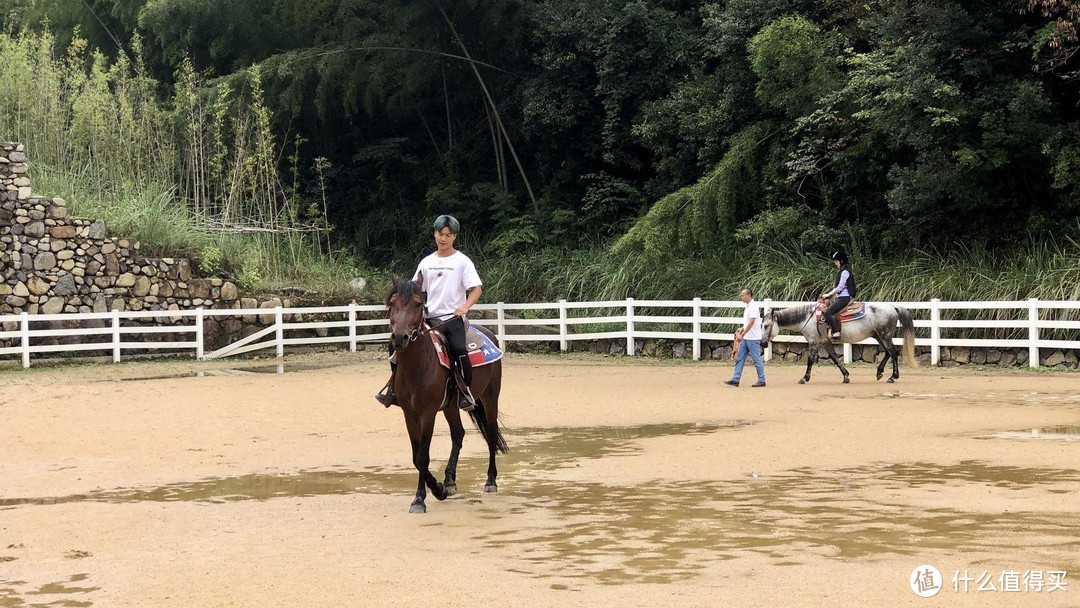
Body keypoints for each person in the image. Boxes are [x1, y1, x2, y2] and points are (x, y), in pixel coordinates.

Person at [376, 214, 484, 410]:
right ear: (434, 234)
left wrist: (465, 306)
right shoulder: (426, 262)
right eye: (440, 234)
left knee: (459, 348)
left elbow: (476, 288)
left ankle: (464, 391)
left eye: (448, 235)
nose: (443, 238)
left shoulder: (462, 261)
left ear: (454, 237)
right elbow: (414, 291)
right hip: (427, 319)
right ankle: (394, 388)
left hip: (451, 318)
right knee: (395, 346)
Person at [724, 287, 766, 388]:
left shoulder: (753, 307)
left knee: (756, 359)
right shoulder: (749, 306)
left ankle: (762, 379)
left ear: (748, 295)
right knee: (740, 358)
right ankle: (736, 379)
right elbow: (749, 322)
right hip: (747, 337)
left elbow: (752, 322)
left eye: (742, 295)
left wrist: (742, 334)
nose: (741, 297)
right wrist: (742, 329)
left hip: (752, 338)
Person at [820, 249, 857, 343]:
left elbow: (840, 287)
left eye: (836, 261)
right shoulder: (843, 271)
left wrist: (828, 294)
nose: (835, 263)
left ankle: (836, 331)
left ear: (842, 261)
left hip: (844, 298)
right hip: (841, 297)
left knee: (827, 313)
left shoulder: (845, 272)